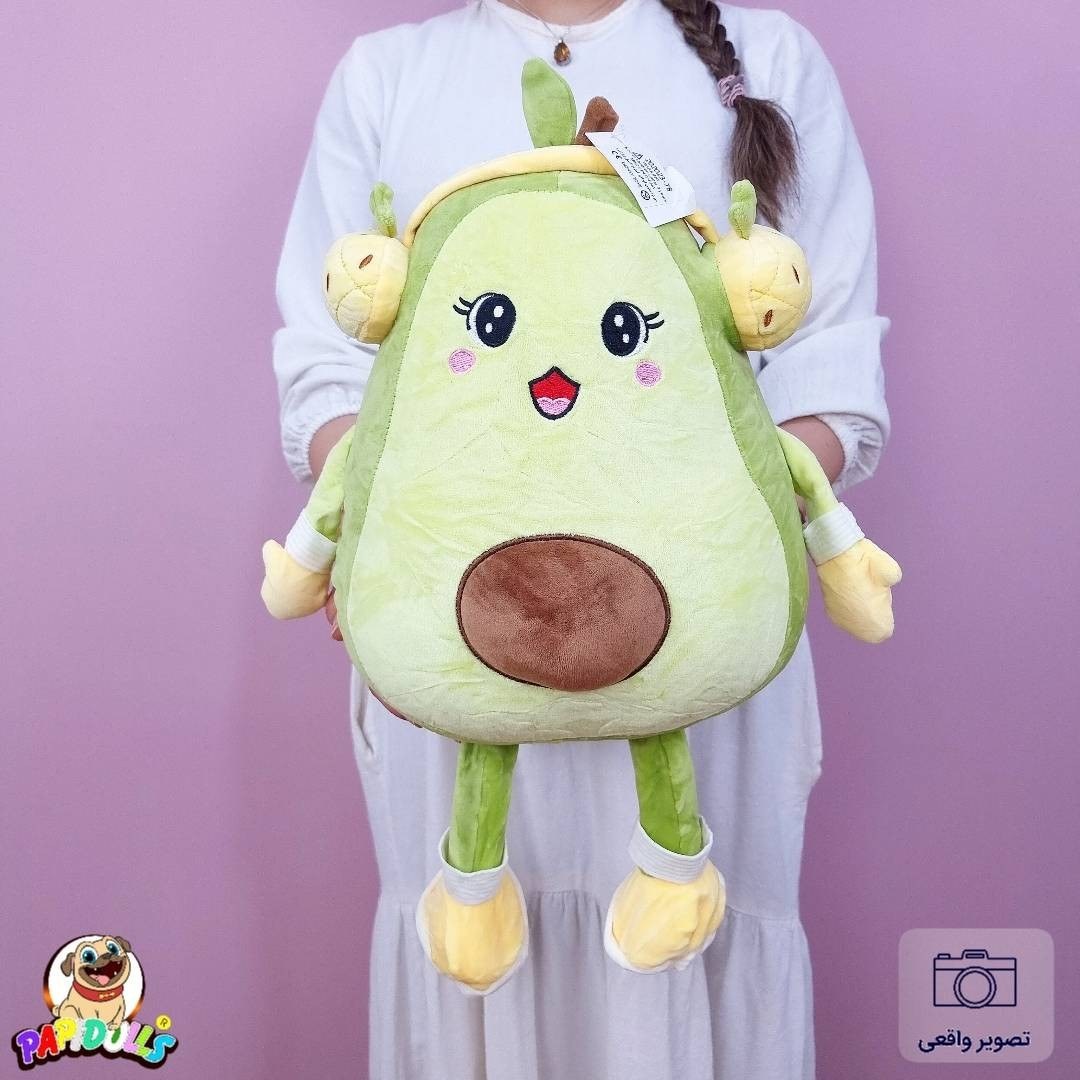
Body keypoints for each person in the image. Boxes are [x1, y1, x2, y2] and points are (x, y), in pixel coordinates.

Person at [272, 1, 889, 1076]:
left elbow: (827, 363)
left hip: (699, 641)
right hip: (456, 632)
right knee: (471, 942)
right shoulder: (386, 77)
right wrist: (381, 538)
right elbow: (330, 364)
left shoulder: (771, 60)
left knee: (691, 932)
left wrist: (707, 548)